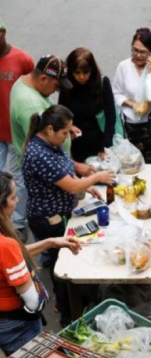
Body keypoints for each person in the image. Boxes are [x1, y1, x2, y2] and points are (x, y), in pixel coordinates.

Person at [22, 105, 115, 326]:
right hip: (48, 218)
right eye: (65, 133)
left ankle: (73, 300)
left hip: (60, 213)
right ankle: (66, 312)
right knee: (60, 266)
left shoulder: (49, 144)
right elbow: (72, 186)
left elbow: (64, 164)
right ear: (50, 129)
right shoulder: (38, 153)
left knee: (65, 259)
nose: (67, 138)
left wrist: (81, 169)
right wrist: (95, 178)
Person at [9, 55, 91, 238]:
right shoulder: (31, 106)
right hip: (49, 210)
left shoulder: (25, 85)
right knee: (55, 249)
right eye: (56, 85)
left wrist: (66, 129)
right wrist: (83, 172)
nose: (56, 91)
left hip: (55, 194)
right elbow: (70, 185)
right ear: (43, 78)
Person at [0, 171, 81, 356]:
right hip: (18, 325)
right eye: (13, 197)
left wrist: (50, 242)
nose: (17, 201)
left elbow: (11, 260)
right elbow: (33, 302)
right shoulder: (6, 245)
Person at [113, 27, 151, 163]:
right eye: (135, 50)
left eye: (143, 52)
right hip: (131, 126)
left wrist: (149, 73)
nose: (138, 55)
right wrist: (132, 104)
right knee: (134, 165)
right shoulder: (123, 67)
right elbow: (116, 93)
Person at [59, 48, 121, 163]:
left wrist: (105, 148)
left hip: (100, 148)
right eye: (77, 73)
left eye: (85, 72)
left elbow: (110, 117)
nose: (81, 77)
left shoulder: (102, 84)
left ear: (92, 70)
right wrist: (69, 128)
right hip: (75, 148)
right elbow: (61, 115)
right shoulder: (67, 87)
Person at [0, 17, 34, 171]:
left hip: (17, 130)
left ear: (3, 33)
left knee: (18, 176)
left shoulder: (22, 59)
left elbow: (35, 88)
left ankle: (18, 197)